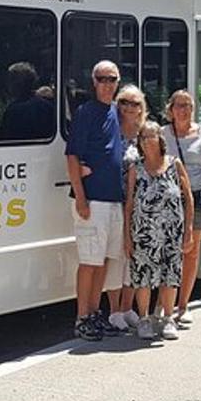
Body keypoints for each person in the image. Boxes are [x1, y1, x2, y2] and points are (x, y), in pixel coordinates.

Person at [65, 61, 125, 341]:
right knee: (89, 261)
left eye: (112, 79)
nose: (107, 84)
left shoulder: (116, 111)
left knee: (103, 261)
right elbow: (72, 156)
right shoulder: (85, 113)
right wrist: (80, 196)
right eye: (102, 79)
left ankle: (94, 314)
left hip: (113, 199)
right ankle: (81, 318)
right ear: (93, 81)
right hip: (92, 200)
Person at [123, 121, 194, 341]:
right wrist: (127, 235)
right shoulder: (137, 169)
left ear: (160, 139)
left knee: (170, 274)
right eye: (142, 138)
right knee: (143, 276)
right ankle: (144, 319)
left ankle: (168, 319)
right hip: (144, 232)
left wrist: (189, 230)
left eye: (150, 136)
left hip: (172, 231)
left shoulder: (174, 165)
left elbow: (188, 198)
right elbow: (129, 204)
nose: (146, 141)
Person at [162, 90, 201, 326]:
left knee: (191, 250)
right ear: (171, 109)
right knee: (170, 251)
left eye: (188, 105)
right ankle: (164, 304)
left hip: (197, 199)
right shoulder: (162, 134)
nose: (184, 110)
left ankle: (184, 305)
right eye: (179, 105)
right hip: (170, 199)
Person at [105, 85, 148, 334]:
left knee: (134, 257)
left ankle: (128, 307)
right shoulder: (110, 131)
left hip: (141, 205)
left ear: (142, 108)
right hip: (116, 200)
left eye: (134, 103)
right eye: (124, 102)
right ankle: (114, 311)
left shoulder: (145, 133)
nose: (129, 108)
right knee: (116, 256)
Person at [0, 61, 54, 140]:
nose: (7, 84)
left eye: (10, 80)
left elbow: (3, 139)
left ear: (16, 84)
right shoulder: (47, 106)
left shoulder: (13, 111)